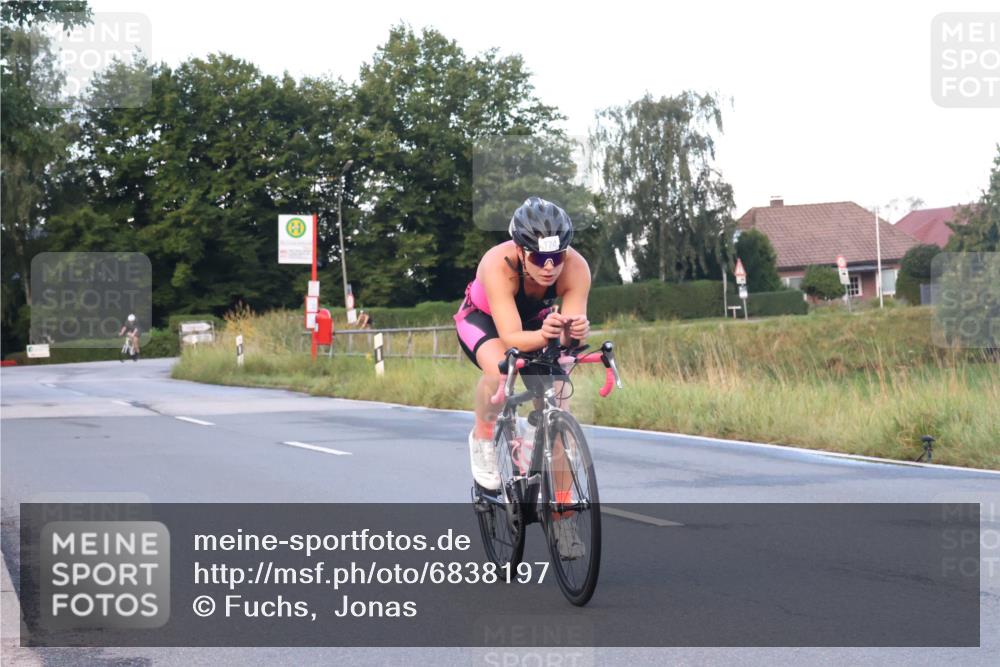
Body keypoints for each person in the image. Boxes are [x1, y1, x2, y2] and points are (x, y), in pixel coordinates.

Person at [454, 197, 591, 558]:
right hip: (485, 322)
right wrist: (550, 335)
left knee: (558, 397)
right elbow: (512, 338)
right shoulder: (497, 265)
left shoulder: (577, 269)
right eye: (539, 259)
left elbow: (568, 339)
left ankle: (562, 516)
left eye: (557, 258)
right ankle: (483, 439)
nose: (549, 268)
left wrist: (573, 331)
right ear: (520, 250)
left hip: (536, 324)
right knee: (501, 370)